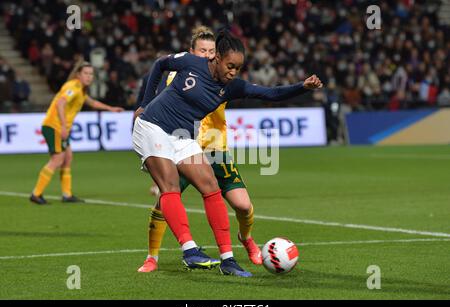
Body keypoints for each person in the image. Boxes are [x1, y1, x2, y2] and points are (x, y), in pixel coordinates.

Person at [132, 30, 322, 277]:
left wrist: (302, 87)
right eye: (230, 66)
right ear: (217, 58)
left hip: (182, 136)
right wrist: (145, 103)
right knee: (170, 185)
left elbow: (270, 94)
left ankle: (228, 259)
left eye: (238, 68)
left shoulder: (232, 88)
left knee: (211, 186)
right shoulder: (191, 63)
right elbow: (160, 64)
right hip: (152, 126)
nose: (233, 72)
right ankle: (189, 251)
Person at [135, 26, 263, 274]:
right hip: (180, 142)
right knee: (164, 198)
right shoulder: (181, 74)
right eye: (202, 50)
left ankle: (245, 241)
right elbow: (160, 114)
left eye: (211, 51)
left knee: (243, 206)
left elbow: (253, 90)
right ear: (192, 52)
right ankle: (153, 257)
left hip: (214, 147)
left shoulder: (223, 76)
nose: (207, 55)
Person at [30, 61, 124, 205]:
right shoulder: (72, 86)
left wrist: (111, 109)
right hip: (54, 126)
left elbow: (92, 103)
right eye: (86, 73)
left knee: (67, 157)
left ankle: (67, 195)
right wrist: (62, 126)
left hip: (58, 127)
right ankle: (36, 194)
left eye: (91, 74)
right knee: (57, 159)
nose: (89, 76)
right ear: (78, 74)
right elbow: (60, 103)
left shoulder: (80, 89)